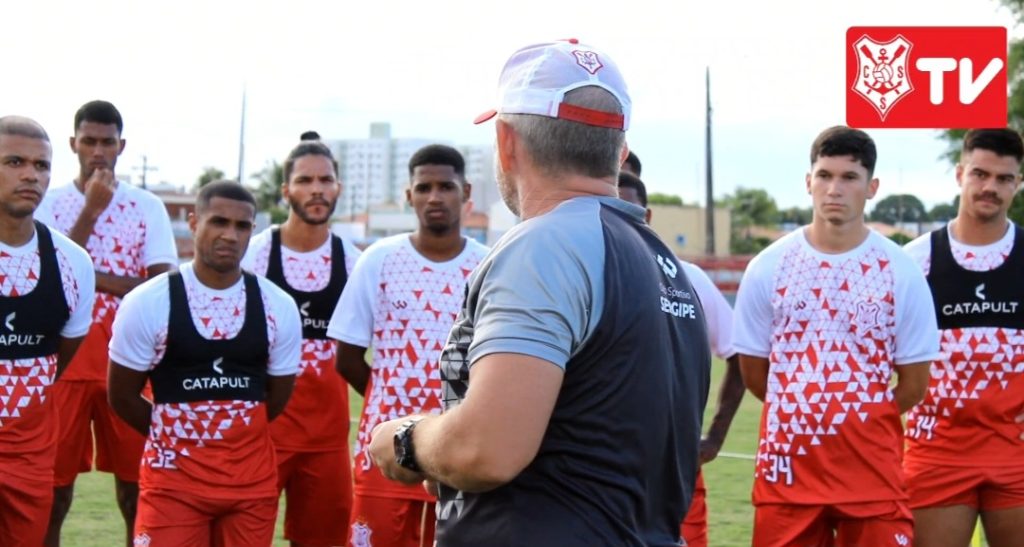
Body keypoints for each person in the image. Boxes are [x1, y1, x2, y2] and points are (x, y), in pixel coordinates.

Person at [366, 40, 711, 546]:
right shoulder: (661, 260)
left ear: (506, 142)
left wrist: (404, 441)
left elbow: (489, 448)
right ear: (618, 151)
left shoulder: (545, 246)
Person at [732, 125, 941, 546]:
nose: (834, 189)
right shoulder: (768, 267)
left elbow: (915, 385)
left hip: (871, 471)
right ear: (809, 182)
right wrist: (806, 414)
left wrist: (860, 417)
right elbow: (756, 374)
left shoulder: (900, 271)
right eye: (825, 175)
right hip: (787, 470)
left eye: (849, 178)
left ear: (871, 187)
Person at [106, 181, 301, 546]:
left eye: (241, 226)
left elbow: (275, 398)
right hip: (172, 484)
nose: (230, 235)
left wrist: (230, 438)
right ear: (194, 223)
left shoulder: (278, 305)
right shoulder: (147, 302)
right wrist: (180, 437)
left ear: (252, 231)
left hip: (250, 486)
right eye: (218, 222)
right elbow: (121, 396)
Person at [328, 144, 488, 547]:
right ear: (408, 195)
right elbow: (347, 357)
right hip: (385, 452)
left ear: (466, 192)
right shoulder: (379, 259)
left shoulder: (489, 265)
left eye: (446, 187)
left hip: (457, 451)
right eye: (424, 187)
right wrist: (390, 404)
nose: (435, 197)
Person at [36, 100, 177, 547]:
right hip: (65, 365)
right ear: (73, 143)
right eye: (89, 141)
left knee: (137, 491)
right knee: (53, 495)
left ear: (122, 146)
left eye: (107, 142)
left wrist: (86, 275)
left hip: (130, 366)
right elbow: (44, 280)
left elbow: (159, 289)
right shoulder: (47, 203)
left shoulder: (146, 206)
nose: (98, 151)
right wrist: (91, 212)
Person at [902, 128, 1024, 547]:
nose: (991, 187)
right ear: (960, 174)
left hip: (1015, 450)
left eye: (1004, 178)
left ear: (1018, 183)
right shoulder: (914, 262)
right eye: (980, 174)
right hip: (937, 450)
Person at [241, 139, 361, 547]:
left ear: (338, 188)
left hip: (327, 440)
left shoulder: (354, 261)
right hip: (262, 434)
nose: (316, 189)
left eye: (325, 179)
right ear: (286, 190)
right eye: (304, 180)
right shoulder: (255, 256)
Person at [618, 170, 745, 547]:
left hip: (675, 472)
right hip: (601, 474)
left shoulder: (687, 278)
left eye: (630, 208)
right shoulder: (581, 276)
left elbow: (738, 352)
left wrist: (715, 438)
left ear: (647, 216)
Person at [0, 116, 95, 546]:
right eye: (15, 161)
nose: (30, 175)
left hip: (29, 453)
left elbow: (60, 357)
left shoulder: (73, 263)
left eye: (41, 165)